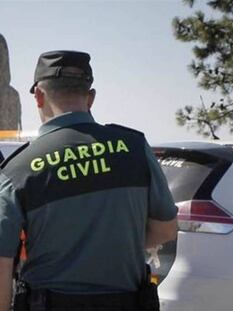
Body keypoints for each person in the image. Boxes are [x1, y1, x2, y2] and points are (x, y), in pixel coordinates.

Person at [0, 50, 177, 311]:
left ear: (38, 96)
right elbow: (165, 230)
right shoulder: (135, 148)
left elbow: (3, 263)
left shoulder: (18, 169)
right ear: (90, 97)